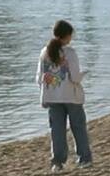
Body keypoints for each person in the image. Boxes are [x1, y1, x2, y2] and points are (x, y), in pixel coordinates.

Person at [39, 21, 92, 168]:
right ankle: (84, 158)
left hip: (52, 97)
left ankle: (57, 162)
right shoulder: (70, 53)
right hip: (71, 96)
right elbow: (74, 77)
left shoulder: (44, 52)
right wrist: (83, 74)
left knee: (57, 130)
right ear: (68, 35)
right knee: (78, 127)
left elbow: (39, 77)